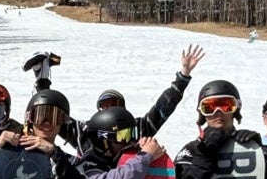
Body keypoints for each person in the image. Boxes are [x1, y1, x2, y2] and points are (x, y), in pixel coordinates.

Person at [62, 45, 204, 152]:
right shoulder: (87, 131)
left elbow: (164, 106)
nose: (109, 108)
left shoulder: (137, 129)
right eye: (104, 105)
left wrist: (183, 75)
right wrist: (43, 82)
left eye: (114, 103)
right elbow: (55, 119)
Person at [0, 88, 103, 179]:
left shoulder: (67, 160)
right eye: (40, 116)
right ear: (30, 119)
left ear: (63, 122)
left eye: (54, 117)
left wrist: (55, 153)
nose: (46, 123)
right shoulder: (12, 151)